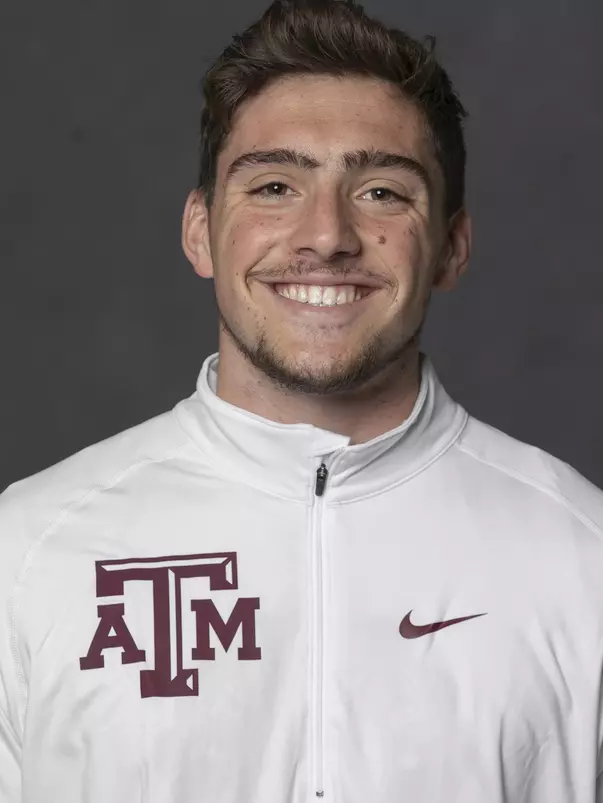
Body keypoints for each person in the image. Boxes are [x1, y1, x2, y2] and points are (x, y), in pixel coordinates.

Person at [1, 0, 602, 800]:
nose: (326, 234)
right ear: (199, 230)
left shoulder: (579, 554)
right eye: (275, 184)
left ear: (451, 247)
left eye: (383, 191)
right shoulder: (30, 550)